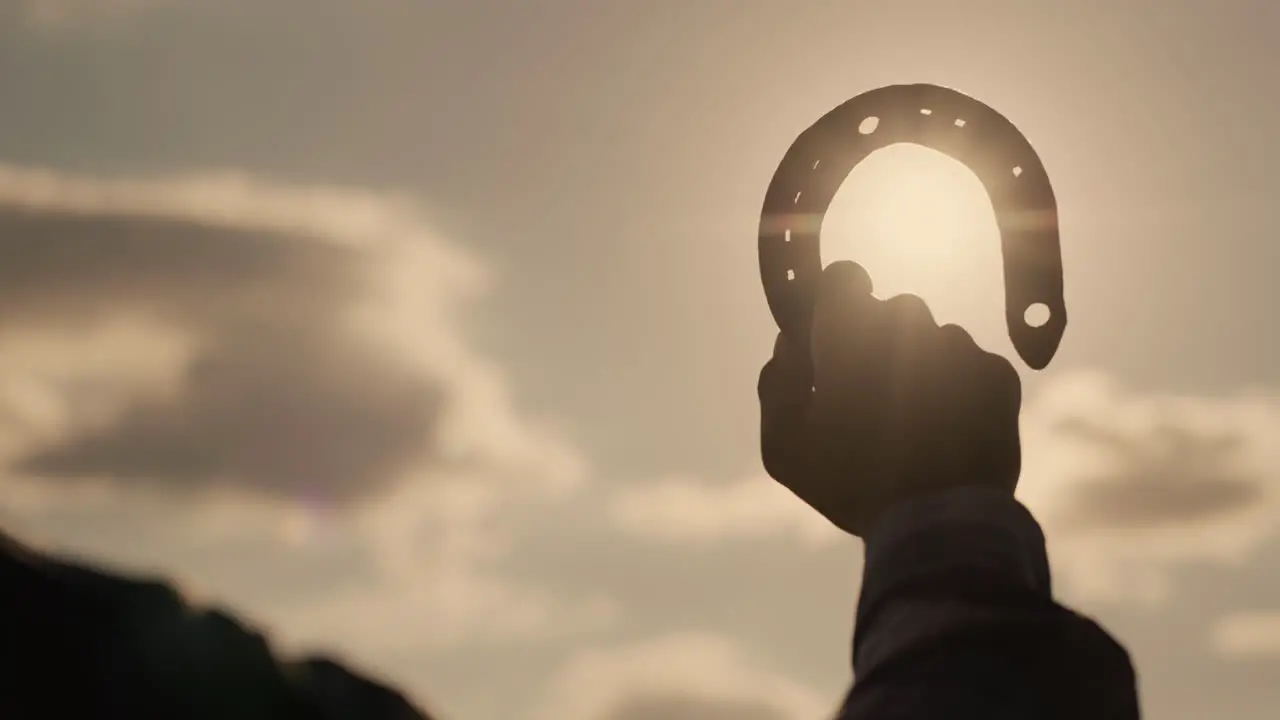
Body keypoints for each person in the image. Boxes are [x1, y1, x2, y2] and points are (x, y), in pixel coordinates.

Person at [758, 261, 1141, 719]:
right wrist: (947, 488)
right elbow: (1013, 678)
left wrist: (913, 491)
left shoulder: (1074, 674)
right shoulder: (1078, 679)